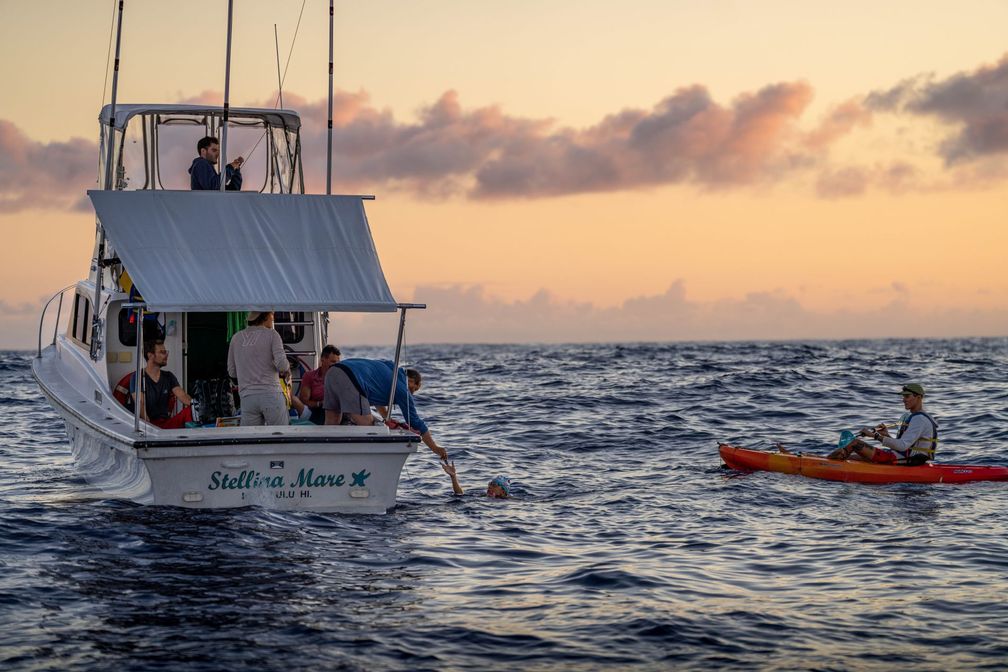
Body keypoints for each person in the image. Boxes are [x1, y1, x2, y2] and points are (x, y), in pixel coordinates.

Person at [323, 359, 448, 462]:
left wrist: (386, 417)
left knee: (332, 421)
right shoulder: (401, 389)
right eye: (414, 389)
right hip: (351, 379)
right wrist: (435, 448)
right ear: (410, 381)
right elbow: (415, 422)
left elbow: (374, 384)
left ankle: (325, 458)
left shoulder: (390, 367)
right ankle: (361, 464)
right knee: (370, 428)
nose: (412, 394)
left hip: (334, 371)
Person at [826, 383, 938, 465]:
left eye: (907, 396)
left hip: (905, 460)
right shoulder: (917, 417)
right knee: (852, 457)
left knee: (854, 443)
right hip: (901, 457)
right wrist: (886, 436)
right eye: (903, 396)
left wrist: (875, 436)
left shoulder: (920, 419)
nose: (903, 399)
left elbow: (902, 446)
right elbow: (905, 446)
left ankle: (824, 464)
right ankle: (826, 462)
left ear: (918, 397)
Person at [227, 311, 291, 426]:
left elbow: (232, 372)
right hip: (271, 395)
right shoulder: (272, 335)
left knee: (251, 439)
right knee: (280, 437)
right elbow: (282, 365)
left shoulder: (236, 338)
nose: (273, 318)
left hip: (247, 398)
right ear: (265, 316)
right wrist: (287, 367)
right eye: (272, 315)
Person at [130, 339, 194, 429]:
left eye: (166, 352)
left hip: (166, 424)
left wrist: (195, 405)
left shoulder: (169, 376)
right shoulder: (137, 377)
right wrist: (149, 429)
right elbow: (140, 403)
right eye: (162, 352)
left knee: (190, 411)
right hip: (148, 426)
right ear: (150, 355)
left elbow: (183, 396)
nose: (166, 355)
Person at [298, 344, 341, 424]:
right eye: (333, 362)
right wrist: (320, 403)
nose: (336, 365)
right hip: (315, 411)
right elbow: (304, 400)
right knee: (294, 399)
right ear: (323, 359)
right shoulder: (309, 376)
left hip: (335, 411)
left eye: (338, 362)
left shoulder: (341, 377)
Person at [441, 462, 512, 498]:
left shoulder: (508, 502)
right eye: (490, 484)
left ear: (502, 492)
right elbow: (460, 495)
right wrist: (453, 477)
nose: (490, 487)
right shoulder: (481, 496)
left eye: (494, 485)